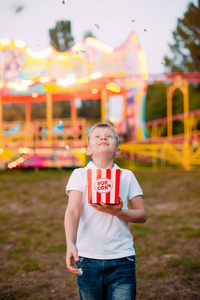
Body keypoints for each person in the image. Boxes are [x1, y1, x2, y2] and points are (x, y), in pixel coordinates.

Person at [64, 123, 147, 300]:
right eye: (97, 136)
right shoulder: (79, 175)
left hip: (122, 257)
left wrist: (119, 212)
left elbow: (142, 214)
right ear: (88, 150)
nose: (103, 138)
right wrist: (70, 243)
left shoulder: (127, 176)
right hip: (87, 256)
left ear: (118, 150)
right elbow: (72, 212)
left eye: (109, 136)